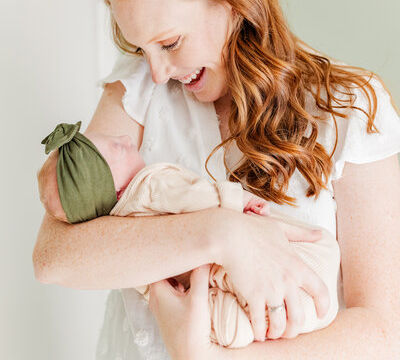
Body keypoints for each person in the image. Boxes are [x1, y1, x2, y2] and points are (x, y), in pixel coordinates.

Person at [32, 0, 400, 360]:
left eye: (170, 43)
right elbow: (55, 258)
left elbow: (385, 334)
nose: (158, 71)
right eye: (142, 48)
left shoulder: (349, 108)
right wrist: (222, 234)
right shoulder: (139, 89)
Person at [37, 122, 340, 348]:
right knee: (319, 247)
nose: (126, 138)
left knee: (221, 314)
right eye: (116, 147)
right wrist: (238, 202)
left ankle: (239, 327)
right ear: (115, 189)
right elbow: (199, 197)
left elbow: (151, 287)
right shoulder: (152, 185)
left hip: (205, 292)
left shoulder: (115, 233)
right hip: (256, 273)